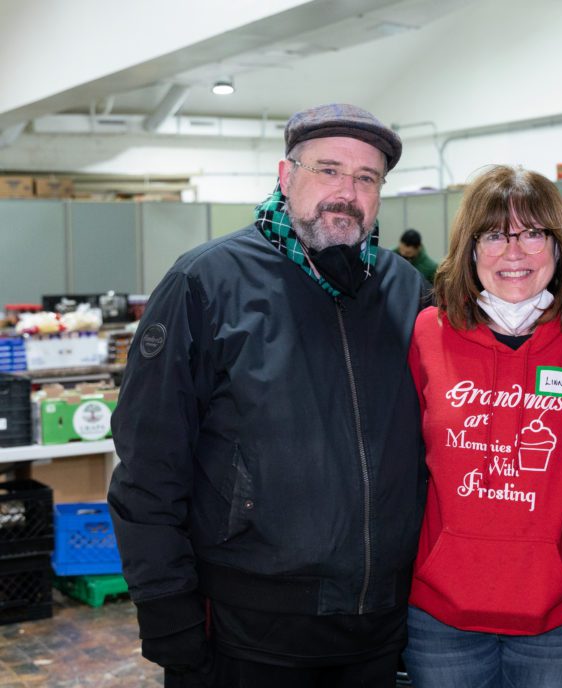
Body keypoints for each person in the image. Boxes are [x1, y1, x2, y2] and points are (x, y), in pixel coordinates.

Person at [108, 104, 430, 687]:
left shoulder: (406, 290)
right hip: (245, 625)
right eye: (328, 170)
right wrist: (165, 611)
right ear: (286, 177)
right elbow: (148, 468)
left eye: (366, 178)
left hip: (379, 625)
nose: (346, 192)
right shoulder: (204, 283)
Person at [402, 165, 562, 688]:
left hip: (555, 621)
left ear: (559, 248)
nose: (514, 253)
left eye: (533, 233)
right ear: (470, 249)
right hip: (442, 620)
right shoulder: (428, 333)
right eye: (494, 235)